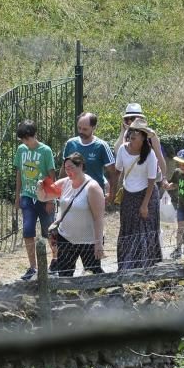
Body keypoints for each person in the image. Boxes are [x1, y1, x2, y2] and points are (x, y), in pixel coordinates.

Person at [60, 112, 115, 273]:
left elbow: (112, 171)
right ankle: (66, 268)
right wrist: (58, 190)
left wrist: (111, 193)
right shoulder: (71, 144)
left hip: (92, 196)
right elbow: (64, 169)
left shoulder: (101, 146)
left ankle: (93, 263)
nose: (81, 131)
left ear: (93, 128)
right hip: (72, 194)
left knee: (93, 228)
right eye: (79, 128)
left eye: (85, 128)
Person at [112, 118, 163, 270]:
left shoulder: (150, 155)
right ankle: (126, 266)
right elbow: (118, 171)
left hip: (146, 195)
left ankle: (147, 267)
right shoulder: (122, 149)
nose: (133, 134)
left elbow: (152, 180)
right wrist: (113, 192)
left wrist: (145, 205)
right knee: (128, 229)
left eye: (138, 132)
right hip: (129, 195)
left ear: (144, 137)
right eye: (131, 131)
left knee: (145, 231)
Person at [13, 119, 57, 281]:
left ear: (34, 135)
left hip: (44, 197)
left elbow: (51, 175)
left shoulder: (46, 151)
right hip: (27, 196)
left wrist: (50, 200)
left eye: (28, 138)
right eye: (23, 139)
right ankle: (33, 267)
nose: (26, 142)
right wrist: (17, 195)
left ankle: (55, 262)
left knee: (49, 231)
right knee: (28, 231)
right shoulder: (21, 150)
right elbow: (19, 173)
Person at [50, 153, 105, 276]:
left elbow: (98, 218)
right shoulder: (64, 183)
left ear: (80, 166)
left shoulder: (92, 187)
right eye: (66, 168)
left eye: (71, 168)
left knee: (93, 275)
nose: (68, 171)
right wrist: (39, 186)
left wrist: (98, 244)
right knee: (64, 275)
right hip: (66, 238)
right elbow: (44, 196)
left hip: (88, 240)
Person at [113, 103, 167, 188]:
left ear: (141, 119)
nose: (130, 121)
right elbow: (118, 151)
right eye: (127, 119)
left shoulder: (150, 135)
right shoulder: (127, 134)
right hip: (133, 180)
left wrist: (164, 178)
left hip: (150, 179)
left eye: (133, 118)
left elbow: (159, 156)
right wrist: (122, 131)